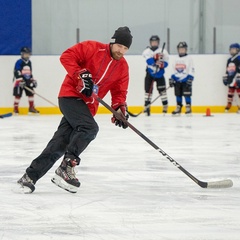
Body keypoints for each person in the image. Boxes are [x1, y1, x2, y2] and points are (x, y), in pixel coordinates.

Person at [17, 26, 133, 194]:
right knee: (90, 128)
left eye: (125, 48)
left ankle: (29, 177)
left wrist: (119, 109)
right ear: (112, 42)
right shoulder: (93, 48)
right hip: (70, 96)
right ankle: (66, 167)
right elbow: (67, 56)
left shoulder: (122, 67)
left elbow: (119, 92)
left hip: (88, 106)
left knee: (60, 143)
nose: (121, 51)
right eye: (119, 46)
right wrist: (80, 74)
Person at [142, 35, 169, 116]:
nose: (154, 43)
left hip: (160, 73)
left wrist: (162, 65)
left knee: (162, 91)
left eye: (156, 42)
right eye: (153, 42)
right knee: (148, 91)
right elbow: (148, 61)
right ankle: (147, 107)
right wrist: (155, 58)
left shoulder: (163, 51)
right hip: (150, 73)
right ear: (150, 43)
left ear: (158, 43)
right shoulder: (147, 51)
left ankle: (165, 106)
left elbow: (166, 62)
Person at [169, 42, 195, 115]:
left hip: (185, 79)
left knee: (187, 94)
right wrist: (172, 78)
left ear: (186, 50)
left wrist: (190, 78)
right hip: (177, 80)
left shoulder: (189, 58)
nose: (181, 50)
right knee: (178, 94)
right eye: (180, 49)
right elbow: (172, 69)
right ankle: (178, 107)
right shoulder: (175, 58)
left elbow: (191, 68)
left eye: (183, 49)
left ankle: (188, 107)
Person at [13, 47, 39, 115]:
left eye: (28, 54)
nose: (27, 55)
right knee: (18, 95)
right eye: (25, 54)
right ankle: (16, 109)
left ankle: (31, 108)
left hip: (27, 81)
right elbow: (17, 71)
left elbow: (29, 72)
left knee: (31, 93)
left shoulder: (29, 62)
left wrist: (32, 79)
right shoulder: (19, 62)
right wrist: (20, 80)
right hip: (20, 81)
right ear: (22, 54)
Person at [222, 43, 240, 113]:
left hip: (237, 78)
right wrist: (226, 77)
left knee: (239, 92)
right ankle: (229, 104)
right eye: (231, 49)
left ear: (238, 50)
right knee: (230, 92)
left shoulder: (239, 58)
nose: (232, 51)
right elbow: (227, 69)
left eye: (233, 49)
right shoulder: (229, 60)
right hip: (231, 78)